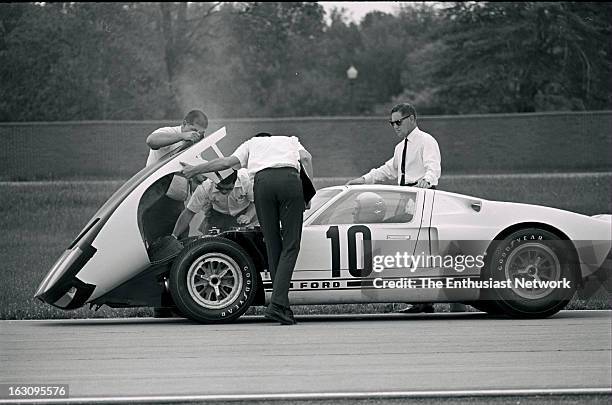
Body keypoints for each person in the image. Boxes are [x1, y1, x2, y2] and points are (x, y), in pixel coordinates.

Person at [181, 132, 313, 325]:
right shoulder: (290, 140)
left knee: (272, 244)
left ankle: (281, 307)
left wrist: (195, 170)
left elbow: (226, 163)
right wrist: (307, 193)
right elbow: (307, 159)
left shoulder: (251, 143)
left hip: (262, 184)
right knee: (291, 245)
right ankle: (277, 304)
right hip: (288, 181)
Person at [347, 103, 465, 313]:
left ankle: (455, 302)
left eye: (398, 122)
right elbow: (388, 170)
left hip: (423, 199)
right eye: (391, 123)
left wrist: (426, 182)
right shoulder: (400, 147)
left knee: (431, 250)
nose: (394, 126)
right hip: (405, 199)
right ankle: (422, 301)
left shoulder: (426, 141)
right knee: (411, 251)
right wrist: (364, 179)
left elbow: (433, 167)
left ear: (411, 119)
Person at [144, 109, 208, 318]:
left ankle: (179, 300)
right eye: (194, 130)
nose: (197, 136)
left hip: (176, 203)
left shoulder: (192, 146)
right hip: (156, 202)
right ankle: (161, 304)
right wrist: (182, 136)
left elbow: (193, 175)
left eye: (201, 133)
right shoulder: (169, 133)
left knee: (181, 249)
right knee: (160, 251)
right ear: (185, 124)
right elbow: (151, 140)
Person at [170, 169, 257, 238]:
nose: (223, 191)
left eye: (228, 189)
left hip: (245, 211)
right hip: (217, 214)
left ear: (235, 181)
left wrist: (248, 215)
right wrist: (174, 236)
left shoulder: (246, 180)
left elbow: (256, 202)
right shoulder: (205, 186)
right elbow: (189, 212)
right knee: (211, 242)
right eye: (219, 188)